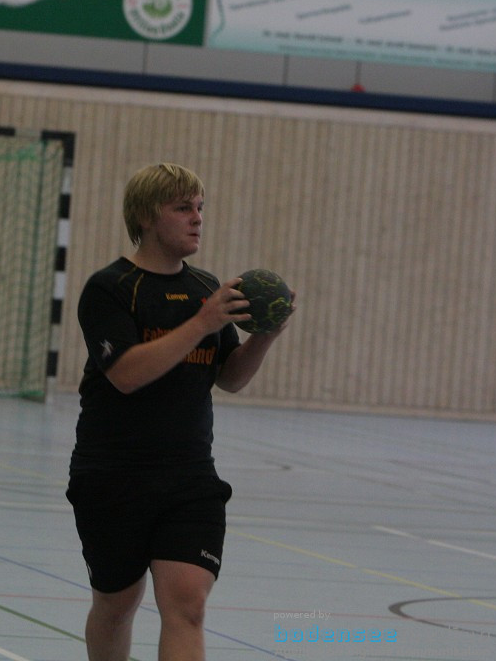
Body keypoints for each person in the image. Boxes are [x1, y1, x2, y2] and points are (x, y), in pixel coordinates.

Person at [67, 163, 294, 661]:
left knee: (187, 606)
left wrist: (265, 336)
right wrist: (202, 321)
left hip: (189, 478)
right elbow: (125, 373)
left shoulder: (205, 289)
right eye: (183, 208)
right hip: (112, 475)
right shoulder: (110, 288)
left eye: (200, 208)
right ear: (149, 217)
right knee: (116, 603)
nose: (196, 219)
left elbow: (230, 377)